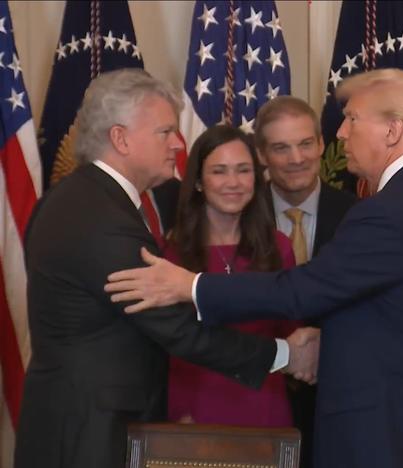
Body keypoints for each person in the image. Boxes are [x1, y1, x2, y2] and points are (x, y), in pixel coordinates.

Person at [106, 68, 403, 468]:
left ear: (392, 130)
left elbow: (305, 289)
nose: (340, 134)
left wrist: (190, 286)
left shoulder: (394, 209)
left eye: (352, 119)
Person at [14, 69, 317, 468]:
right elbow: (175, 327)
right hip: (88, 434)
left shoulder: (77, 200)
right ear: (120, 138)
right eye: (165, 132)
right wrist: (284, 355)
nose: (177, 143)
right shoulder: (102, 218)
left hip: (79, 423)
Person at [166, 125, 299, 426]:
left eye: (243, 170)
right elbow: (169, 342)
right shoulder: (173, 253)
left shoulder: (278, 247)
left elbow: (291, 330)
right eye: (219, 171)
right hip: (193, 408)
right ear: (198, 181)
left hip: (265, 403)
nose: (233, 183)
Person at [254, 95, 356, 466]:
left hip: (339, 401)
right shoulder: (235, 217)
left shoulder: (358, 217)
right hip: (258, 398)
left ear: (321, 145)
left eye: (305, 144)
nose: (296, 158)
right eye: (280, 148)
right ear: (262, 155)